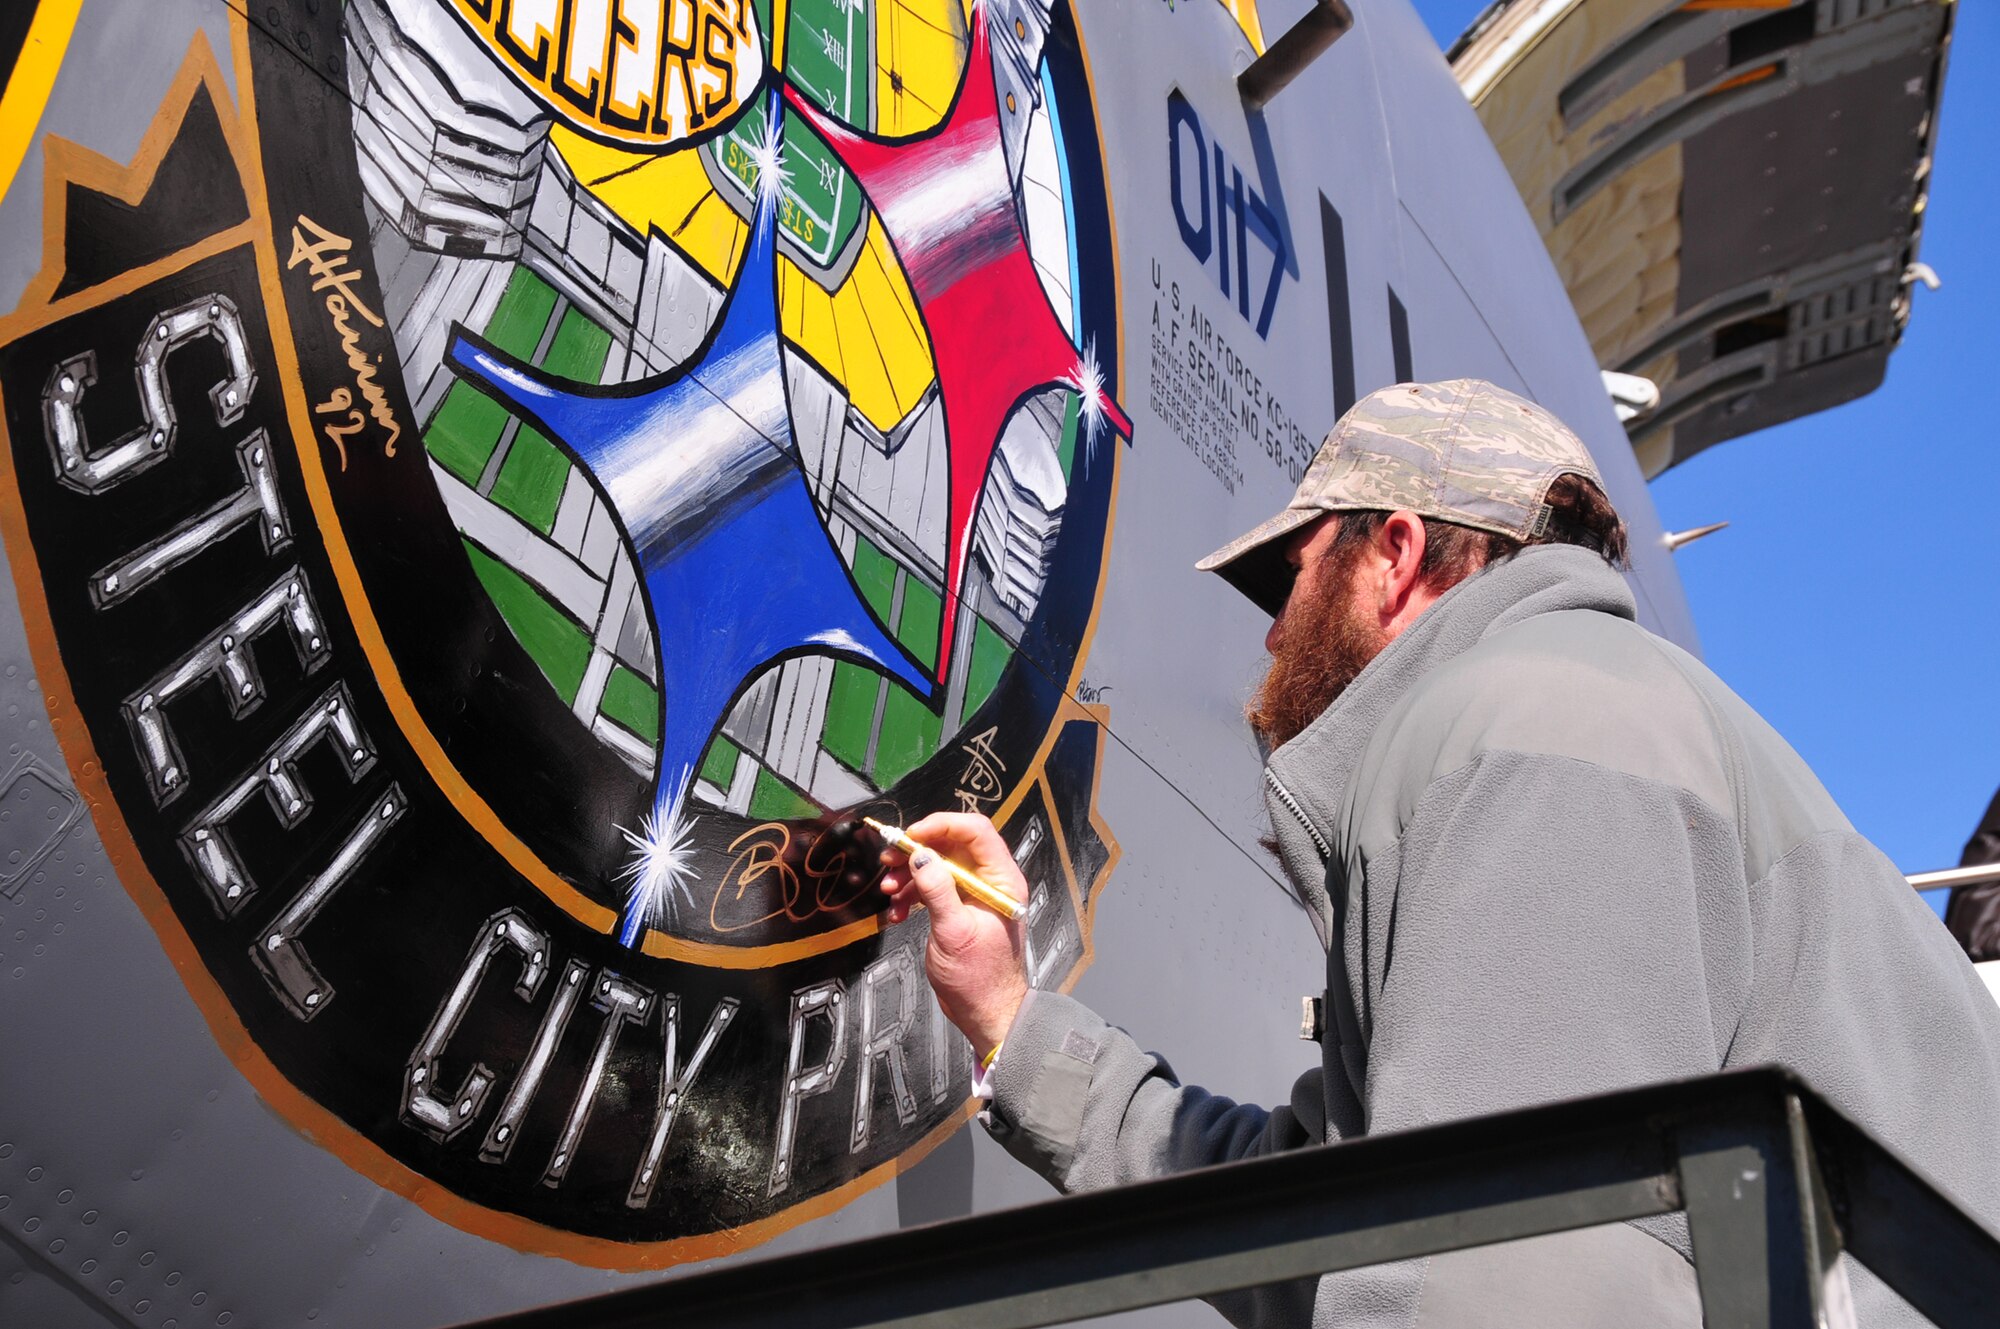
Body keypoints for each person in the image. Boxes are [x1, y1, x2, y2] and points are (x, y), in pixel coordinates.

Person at [879, 379, 2000, 1329]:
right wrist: (1014, 1023)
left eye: (1292, 576)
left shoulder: (1526, 727)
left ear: (1395, 556)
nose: (1272, 632)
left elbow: (1508, 1269)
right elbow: (1340, 1220)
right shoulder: (1555, 722)